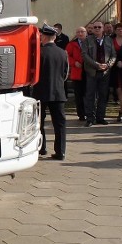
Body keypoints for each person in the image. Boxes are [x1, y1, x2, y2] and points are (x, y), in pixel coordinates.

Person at [35, 23, 69, 160]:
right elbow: (66, 74)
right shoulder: (63, 53)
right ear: (54, 37)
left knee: (39, 122)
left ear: (43, 36)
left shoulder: (39, 53)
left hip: (40, 92)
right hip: (58, 92)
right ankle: (60, 151)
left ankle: (41, 148)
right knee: (60, 124)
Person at [82, 21, 117, 126]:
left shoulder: (109, 40)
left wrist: (108, 65)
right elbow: (84, 55)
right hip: (92, 72)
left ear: (103, 29)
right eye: (95, 27)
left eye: (99, 27)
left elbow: (113, 55)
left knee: (103, 95)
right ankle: (90, 118)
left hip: (105, 72)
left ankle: (100, 117)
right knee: (90, 95)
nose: (97, 29)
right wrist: (96, 65)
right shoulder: (87, 40)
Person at [66, 26, 88, 121]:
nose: (80, 33)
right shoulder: (72, 44)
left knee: (89, 94)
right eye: (78, 32)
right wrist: (74, 62)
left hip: (89, 72)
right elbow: (67, 56)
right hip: (77, 72)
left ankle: (90, 112)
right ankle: (81, 114)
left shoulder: (90, 42)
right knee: (79, 95)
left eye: (82, 31)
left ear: (86, 33)